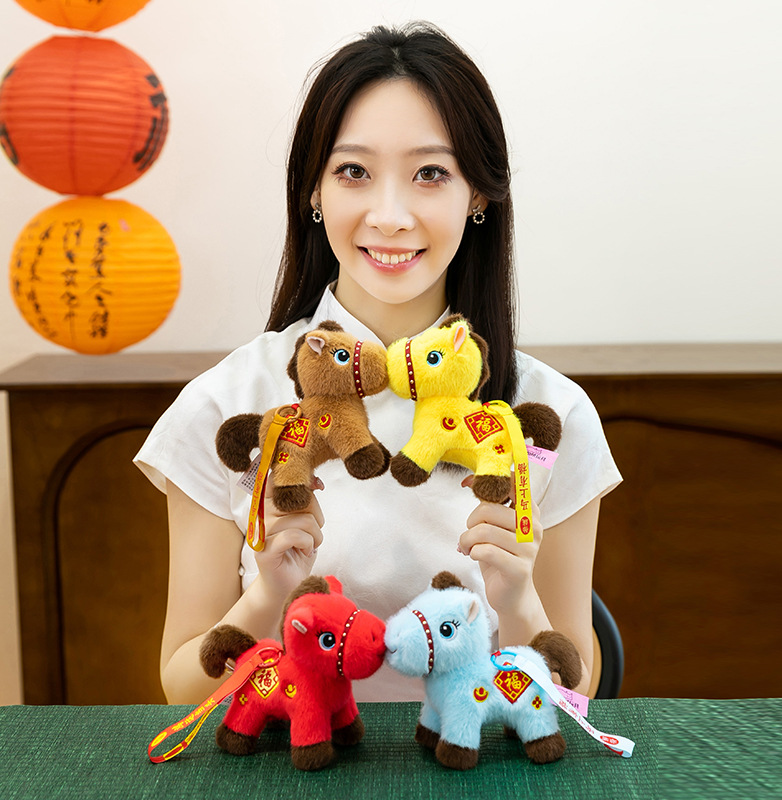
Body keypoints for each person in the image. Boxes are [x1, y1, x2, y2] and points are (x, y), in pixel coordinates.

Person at [134, 22, 621, 704]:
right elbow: (182, 688)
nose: (389, 216)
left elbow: (577, 692)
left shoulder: (551, 414)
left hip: (472, 752)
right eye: (353, 172)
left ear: (478, 195)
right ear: (314, 190)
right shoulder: (225, 403)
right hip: (294, 754)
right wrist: (266, 593)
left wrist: (519, 601)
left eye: (430, 174)